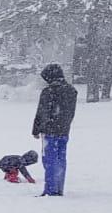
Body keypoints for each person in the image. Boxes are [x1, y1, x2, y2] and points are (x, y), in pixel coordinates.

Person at [33, 63, 78, 197]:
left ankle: (51, 190)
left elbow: (41, 112)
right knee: (60, 159)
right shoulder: (71, 90)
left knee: (50, 160)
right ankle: (59, 188)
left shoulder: (49, 92)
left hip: (49, 131)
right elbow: (70, 113)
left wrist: (36, 129)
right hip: (64, 130)